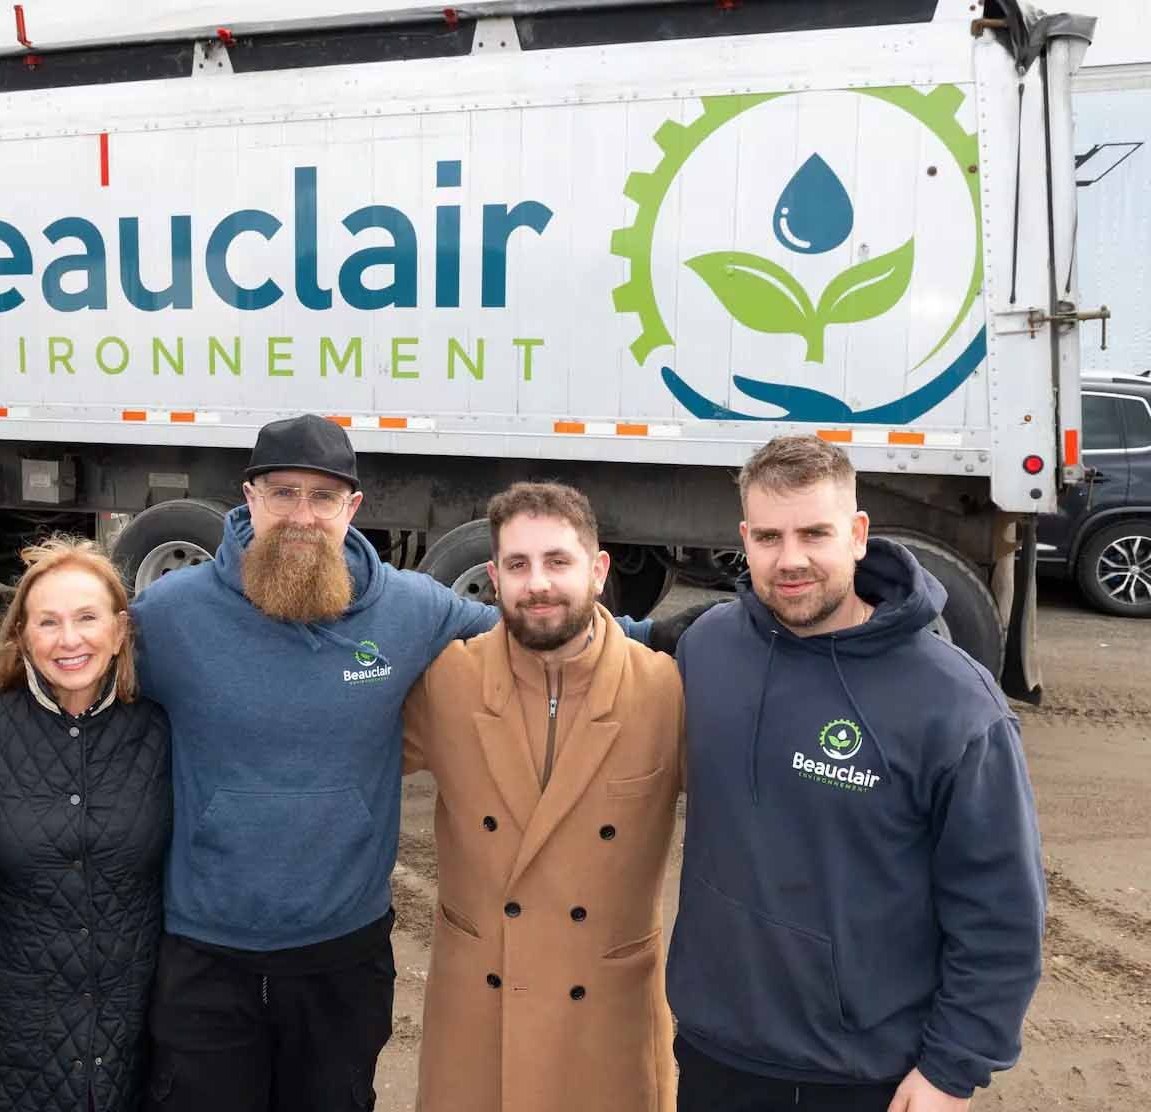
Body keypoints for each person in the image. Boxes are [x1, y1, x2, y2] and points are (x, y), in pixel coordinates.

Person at [129, 414, 659, 1111]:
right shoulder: (168, 614)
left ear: (352, 509)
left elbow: (532, 626)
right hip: (205, 954)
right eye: (282, 493)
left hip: (343, 956)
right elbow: (78, 676)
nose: (301, 515)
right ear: (248, 498)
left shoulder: (408, 609)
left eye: (323, 497)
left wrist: (656, 635)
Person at [666, 435, 1045, 1112]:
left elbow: (1002, 910)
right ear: (744, 539)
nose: (792, 560)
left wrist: (952, 1071)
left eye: (816, 533)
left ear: (859, 533)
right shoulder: (709, 647)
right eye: (770, 537)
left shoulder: (952, 702)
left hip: (864, 1074)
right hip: (713, 1051)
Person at [402, 482, 685, 1112]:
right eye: (518, 564)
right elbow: (339, 757)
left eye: (558, 561)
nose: (538, 584)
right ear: (494, 578)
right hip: (479, 1012)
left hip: (608, 1017)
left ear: (598, 568)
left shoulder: (664, 690)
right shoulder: (447, 680)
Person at [0, 537, 172, 1112]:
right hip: (14, 1042)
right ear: (21, 634)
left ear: (120, 629)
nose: (69, 639)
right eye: (47, 622)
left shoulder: (161, 726)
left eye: (86, 618)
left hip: (135, 1035)